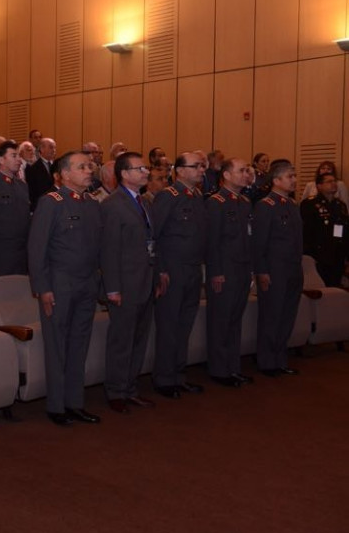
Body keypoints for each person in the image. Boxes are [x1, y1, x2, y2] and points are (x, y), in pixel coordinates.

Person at [27, 151, 102, 426]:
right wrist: (42, 288)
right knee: (57, 346)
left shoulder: (93, 204)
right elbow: (37, 249)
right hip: (59, 285)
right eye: (81, 167)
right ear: (64, 174)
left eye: (90, 166)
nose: (89, 170)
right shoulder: (51, 202)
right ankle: (57, 406)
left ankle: (75, 402)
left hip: (86, 284)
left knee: (79, 345)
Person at [101, 152, 161, 414]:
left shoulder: (144, 202)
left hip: (145, 281)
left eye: (145, 168)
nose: (146, 172)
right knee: (122, 340)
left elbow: (151, 243)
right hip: (124, 285)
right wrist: (112, 287)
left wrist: (156, 277)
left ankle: (130, 388)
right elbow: (108, 251)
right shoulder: (113, 205)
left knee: (139, 339)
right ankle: (116, 391)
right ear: (124, 174)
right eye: (140, 169)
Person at [150, 152, 207, 398]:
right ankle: (164, 379)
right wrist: (160, 269)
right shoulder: (167, 196)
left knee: (185, 325)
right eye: (196, 166)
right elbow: (155, 235)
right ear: (180, 171)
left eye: (203, 166)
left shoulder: (196, 196)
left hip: (193, 268)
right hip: (172, 270)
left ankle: (178, 375)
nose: (202, 170)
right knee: (169, 325)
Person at [205, 158, 255, 388]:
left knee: (235, 320)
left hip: (242, 269)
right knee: (221, 321)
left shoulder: (244, 202)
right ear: (225, 175)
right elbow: (212, 241)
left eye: (247, 170)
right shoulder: (215, 203)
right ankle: (218, 369)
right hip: (224, 271)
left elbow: (247, 237)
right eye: (242, 170)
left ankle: (233, 367)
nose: (247, 174)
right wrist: (215, 272)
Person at [251, 160, 302, 377]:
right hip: (274, 271)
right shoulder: (265, 206)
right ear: (276, 180)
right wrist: (262, 271)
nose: (294, 180)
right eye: (289, 176)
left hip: (293, 270)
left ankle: (280, 359)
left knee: (287, 317)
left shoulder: (292, 205)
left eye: (294, 176)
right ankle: (267, 361)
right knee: (271, 317)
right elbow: (259, 243)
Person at [0, 141, 31, 276]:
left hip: (22, 252)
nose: (19, 160)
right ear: (1, 160)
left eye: (19, 156)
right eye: (14, 156)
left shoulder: (22, 186)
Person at [301, 172, 348, 287]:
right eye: (329, 181)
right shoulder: (310, 204)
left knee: (335, 287)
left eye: (334, 181)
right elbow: (306, 231)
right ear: (319, 186)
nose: (333, 184)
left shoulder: (340, 205)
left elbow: (344, 230)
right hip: (318, 254)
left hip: (337, 254)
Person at [25, 137, 57, 210]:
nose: (54, 150)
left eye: (55, 147)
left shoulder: (57, 166)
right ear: (42, 149)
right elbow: (32, 193)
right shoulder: (33, 169)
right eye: (51, 147)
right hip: (42, 206)